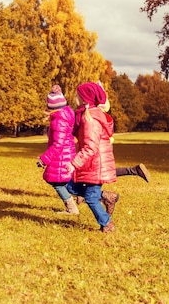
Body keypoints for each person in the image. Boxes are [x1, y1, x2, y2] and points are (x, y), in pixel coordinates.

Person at [66, 82, 119, 233]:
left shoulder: (90, 119)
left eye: (78, 95)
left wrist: (74, 164)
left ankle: (106, 224)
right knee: (70, 186)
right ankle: (107, 197)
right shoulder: (86, 115)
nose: (75, 97)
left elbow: (90, 147)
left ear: (85, 98)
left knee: (90, 198)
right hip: (92, 163)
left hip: (96, 165)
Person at [37, 85, 79, 215]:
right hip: (66, 153)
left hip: (60, 156)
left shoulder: (58, 121)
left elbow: (57, 144)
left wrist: (45, 159)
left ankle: (72, 208)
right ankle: (99, 196)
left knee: (56, 182)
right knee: (66, 182)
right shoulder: (66, 115)